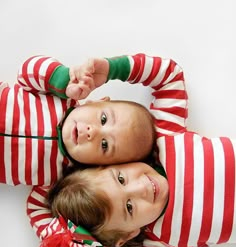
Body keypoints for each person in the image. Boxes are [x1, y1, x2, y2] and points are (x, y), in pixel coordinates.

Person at [27, 51, 236, 247]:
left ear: (117, 162)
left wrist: (112, 69)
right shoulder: (163, 241)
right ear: (129, 234)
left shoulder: (163, 138)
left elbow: (169, 75)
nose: (142, 189)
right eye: (129, 208)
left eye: (122, 178)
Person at [0, 55, 155, 186]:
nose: (92, 132)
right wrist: (63, 80)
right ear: (97, 102)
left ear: (98, 165)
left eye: (104, 144)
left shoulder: (62, 177)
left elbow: (38, 208)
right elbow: (26, 71)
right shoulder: (61, 98)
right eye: (103, 119)